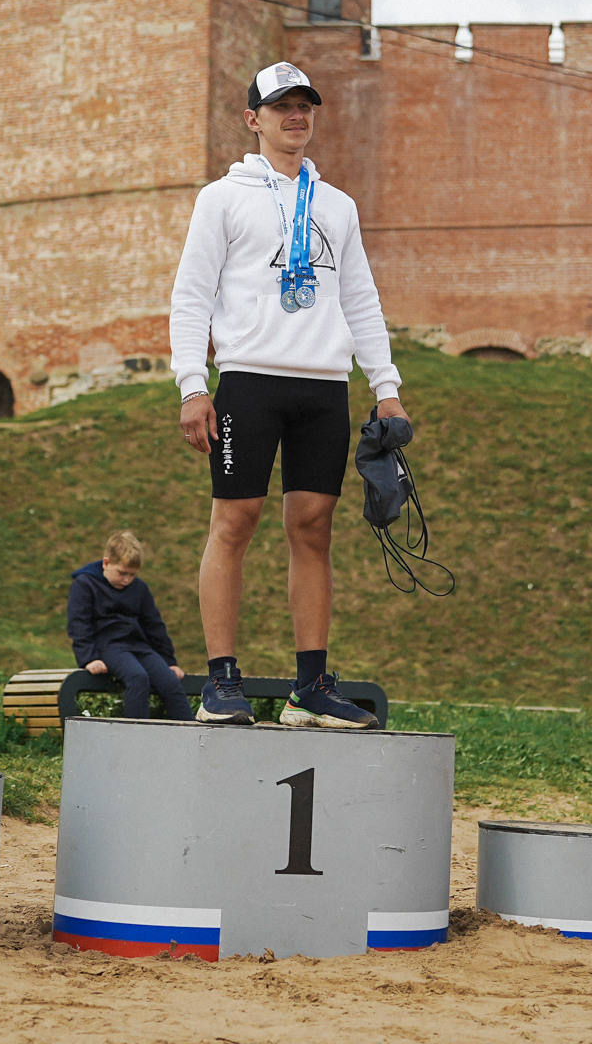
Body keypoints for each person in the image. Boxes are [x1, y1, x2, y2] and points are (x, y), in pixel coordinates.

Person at [169, 61, 407, 730]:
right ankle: (221, 682)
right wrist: (193, 385)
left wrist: (386, 388)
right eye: (281, 106)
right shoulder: (222, 198)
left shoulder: (338, 205)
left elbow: (360, 299)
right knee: (234, 521)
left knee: (313, 528)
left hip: (323, 386)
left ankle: (310, 689)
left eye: (304, 105)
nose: (295, 116)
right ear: (254, 119)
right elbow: (191, 295)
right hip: (249, 380)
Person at [67, 530, 188, 721]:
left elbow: (154, 626)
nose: (126, 580)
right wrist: (88, 658)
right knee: (137, 677)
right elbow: (79, 623)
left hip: (139, 646)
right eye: (122, 573)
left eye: (132, 575)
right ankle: (137, 734)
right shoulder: (85, 584)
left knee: (170, 681)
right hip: (109, 647)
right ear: (106, 563)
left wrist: (169, 661)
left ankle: (189, 733)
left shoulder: (139, 588)